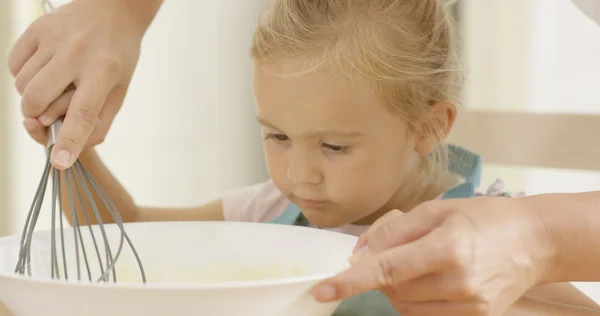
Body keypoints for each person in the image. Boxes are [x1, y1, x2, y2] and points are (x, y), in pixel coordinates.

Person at [8, 0, 600, 315]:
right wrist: (71, 150)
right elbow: (129, 231)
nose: (298, 174)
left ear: (428, 126)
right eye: (277, 136)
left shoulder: (493, 230)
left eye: (335, 146)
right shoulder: (273, 212)